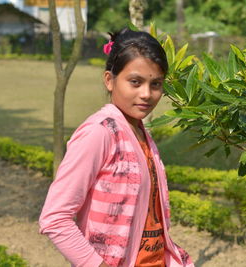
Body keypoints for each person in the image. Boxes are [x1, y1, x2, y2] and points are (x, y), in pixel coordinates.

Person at [39, 28, 194, 267]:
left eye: (156, 84)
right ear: (109, 80)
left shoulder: (140, 130)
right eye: (135, 82)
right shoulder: (99, 133)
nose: (146, 94)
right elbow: (54, 218)